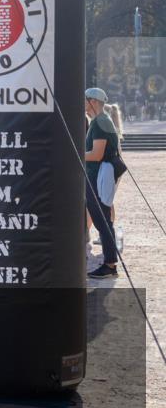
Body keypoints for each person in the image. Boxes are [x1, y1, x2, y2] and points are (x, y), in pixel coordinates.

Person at [84, 88, 120, 279]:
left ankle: (110, 264)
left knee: (103, 222)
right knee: (103, 221)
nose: (82, 103)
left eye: (85, 100)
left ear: (93, 101)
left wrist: (75, 154)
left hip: (98, 178)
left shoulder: (100, 122)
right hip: (97, 177)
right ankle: (110, 262)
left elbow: (97, 154)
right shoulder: (99, 121)